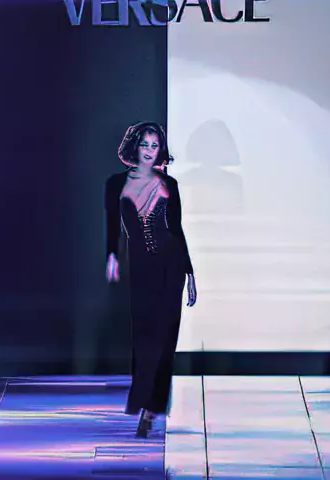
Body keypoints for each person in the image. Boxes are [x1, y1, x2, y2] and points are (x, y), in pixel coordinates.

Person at [104, 121, 197, 438]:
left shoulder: (169, 184)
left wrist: (190, 272)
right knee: (145, 337)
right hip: (141, 267)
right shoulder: (116, 183)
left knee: (167, 336)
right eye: (145, 144)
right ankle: (143, 400)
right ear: (135, 146)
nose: (149, 150)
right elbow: (112, 226)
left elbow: (177, 229)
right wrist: (112, 256)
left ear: (161, 150)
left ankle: (152, 407)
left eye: (155, 146)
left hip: (171, 264)